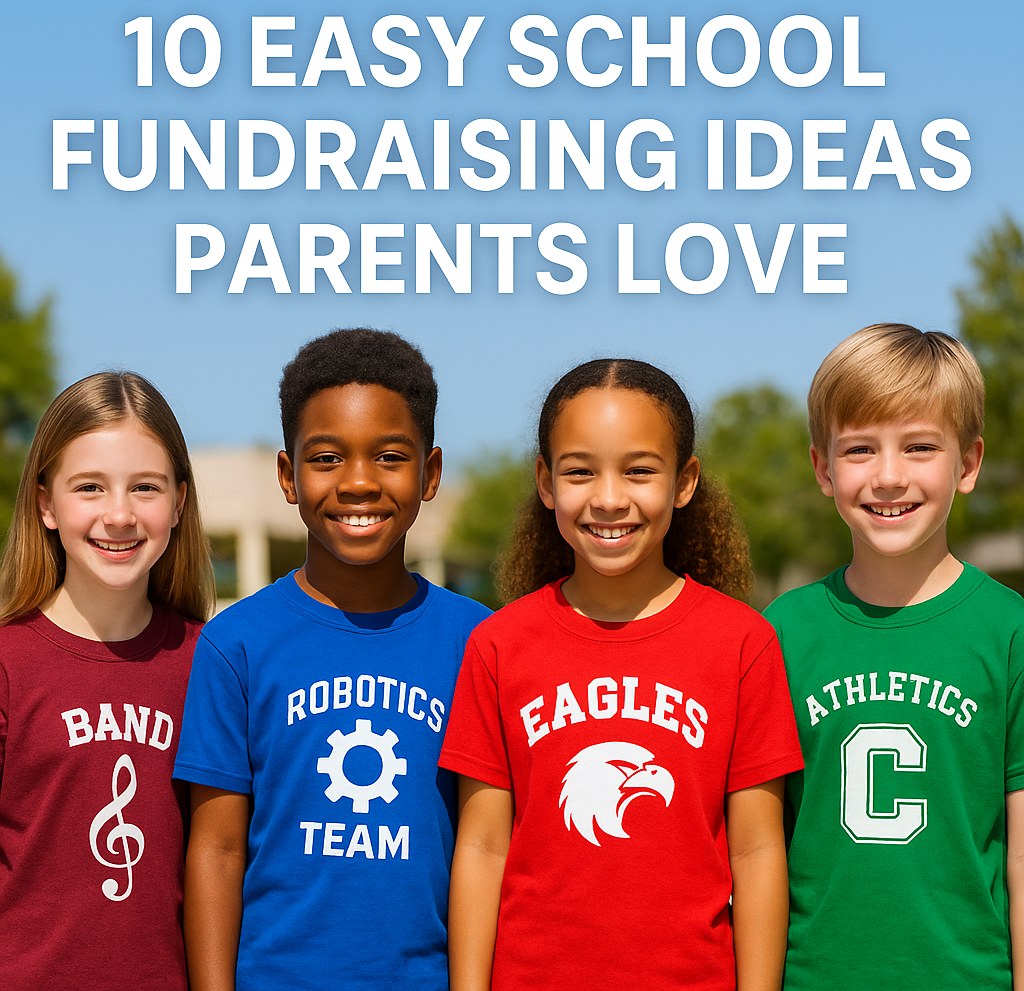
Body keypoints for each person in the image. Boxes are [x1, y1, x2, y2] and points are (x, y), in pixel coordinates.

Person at [439, 359, 804, 991]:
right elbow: (482, 847)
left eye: (639, 470)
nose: (609, 498)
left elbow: (757, 850)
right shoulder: (498, 645)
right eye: (580, 471)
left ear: (684, 482)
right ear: (546, 482)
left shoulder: (743, 643)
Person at [173, 328, 491, 991]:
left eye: (390, 457)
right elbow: (217, 849)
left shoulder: (480, 642)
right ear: (288, 477)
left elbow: (487, 845)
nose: (358, 483)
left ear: (430, 474)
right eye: (325, 458)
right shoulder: (235, 644)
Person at [764, 323, 1024, 990]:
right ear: (824, 469)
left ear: (968, 464)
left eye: (919, 447)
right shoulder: (782, 632)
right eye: (859, 449)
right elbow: (758, 846)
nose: (888, 477)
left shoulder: (1010, 632)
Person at [0, 371, 213, 991]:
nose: (119, 515)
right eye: (89, 487)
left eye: (145, 487)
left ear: (178, 502)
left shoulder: (213, 663)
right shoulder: (9, 663)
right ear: (46, 504)